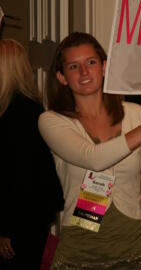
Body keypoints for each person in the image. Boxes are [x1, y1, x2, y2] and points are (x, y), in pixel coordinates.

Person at [38, 32, 141, 270]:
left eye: (91, 62)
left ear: (104, 67)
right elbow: (94, 159)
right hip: (80, 257)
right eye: (74, 67)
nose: (84, 72)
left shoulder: (136, 115)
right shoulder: (52, 121)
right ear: (62, 77)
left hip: (138, 253)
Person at [0, 39, 64, 269]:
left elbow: (17, 176)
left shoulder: (15, 112)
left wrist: (6, 229)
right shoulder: (29, 107)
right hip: (31, 214)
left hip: (21, 218)